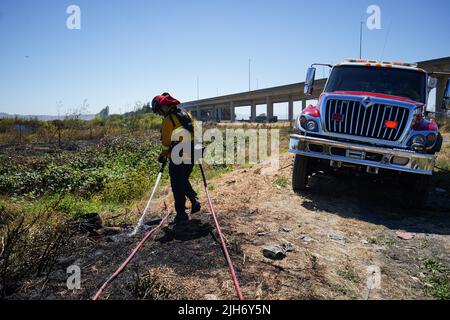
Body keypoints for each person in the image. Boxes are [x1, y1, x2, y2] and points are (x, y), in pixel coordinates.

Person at [151, 93, 201, 224]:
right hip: (193, 150)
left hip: (179, 153)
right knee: (183, 179)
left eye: (158, 111)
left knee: (177, 184)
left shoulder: (169, 120)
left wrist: (163, 155)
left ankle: (181, 214)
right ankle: (194, 201)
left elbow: (166, 142)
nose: (159, 114)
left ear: (163, 106)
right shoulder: (186, 114)